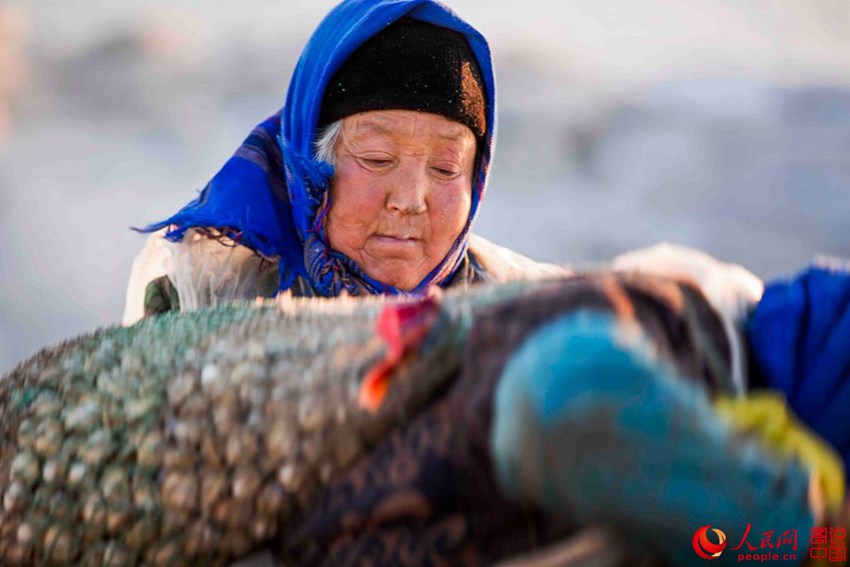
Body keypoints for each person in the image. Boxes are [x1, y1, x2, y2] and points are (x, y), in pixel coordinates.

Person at [122, 0, 564, 325]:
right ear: (308, 169)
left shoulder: (530, 322)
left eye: (446, 168)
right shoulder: (202, 299)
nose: (409, 201)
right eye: (377, 159)